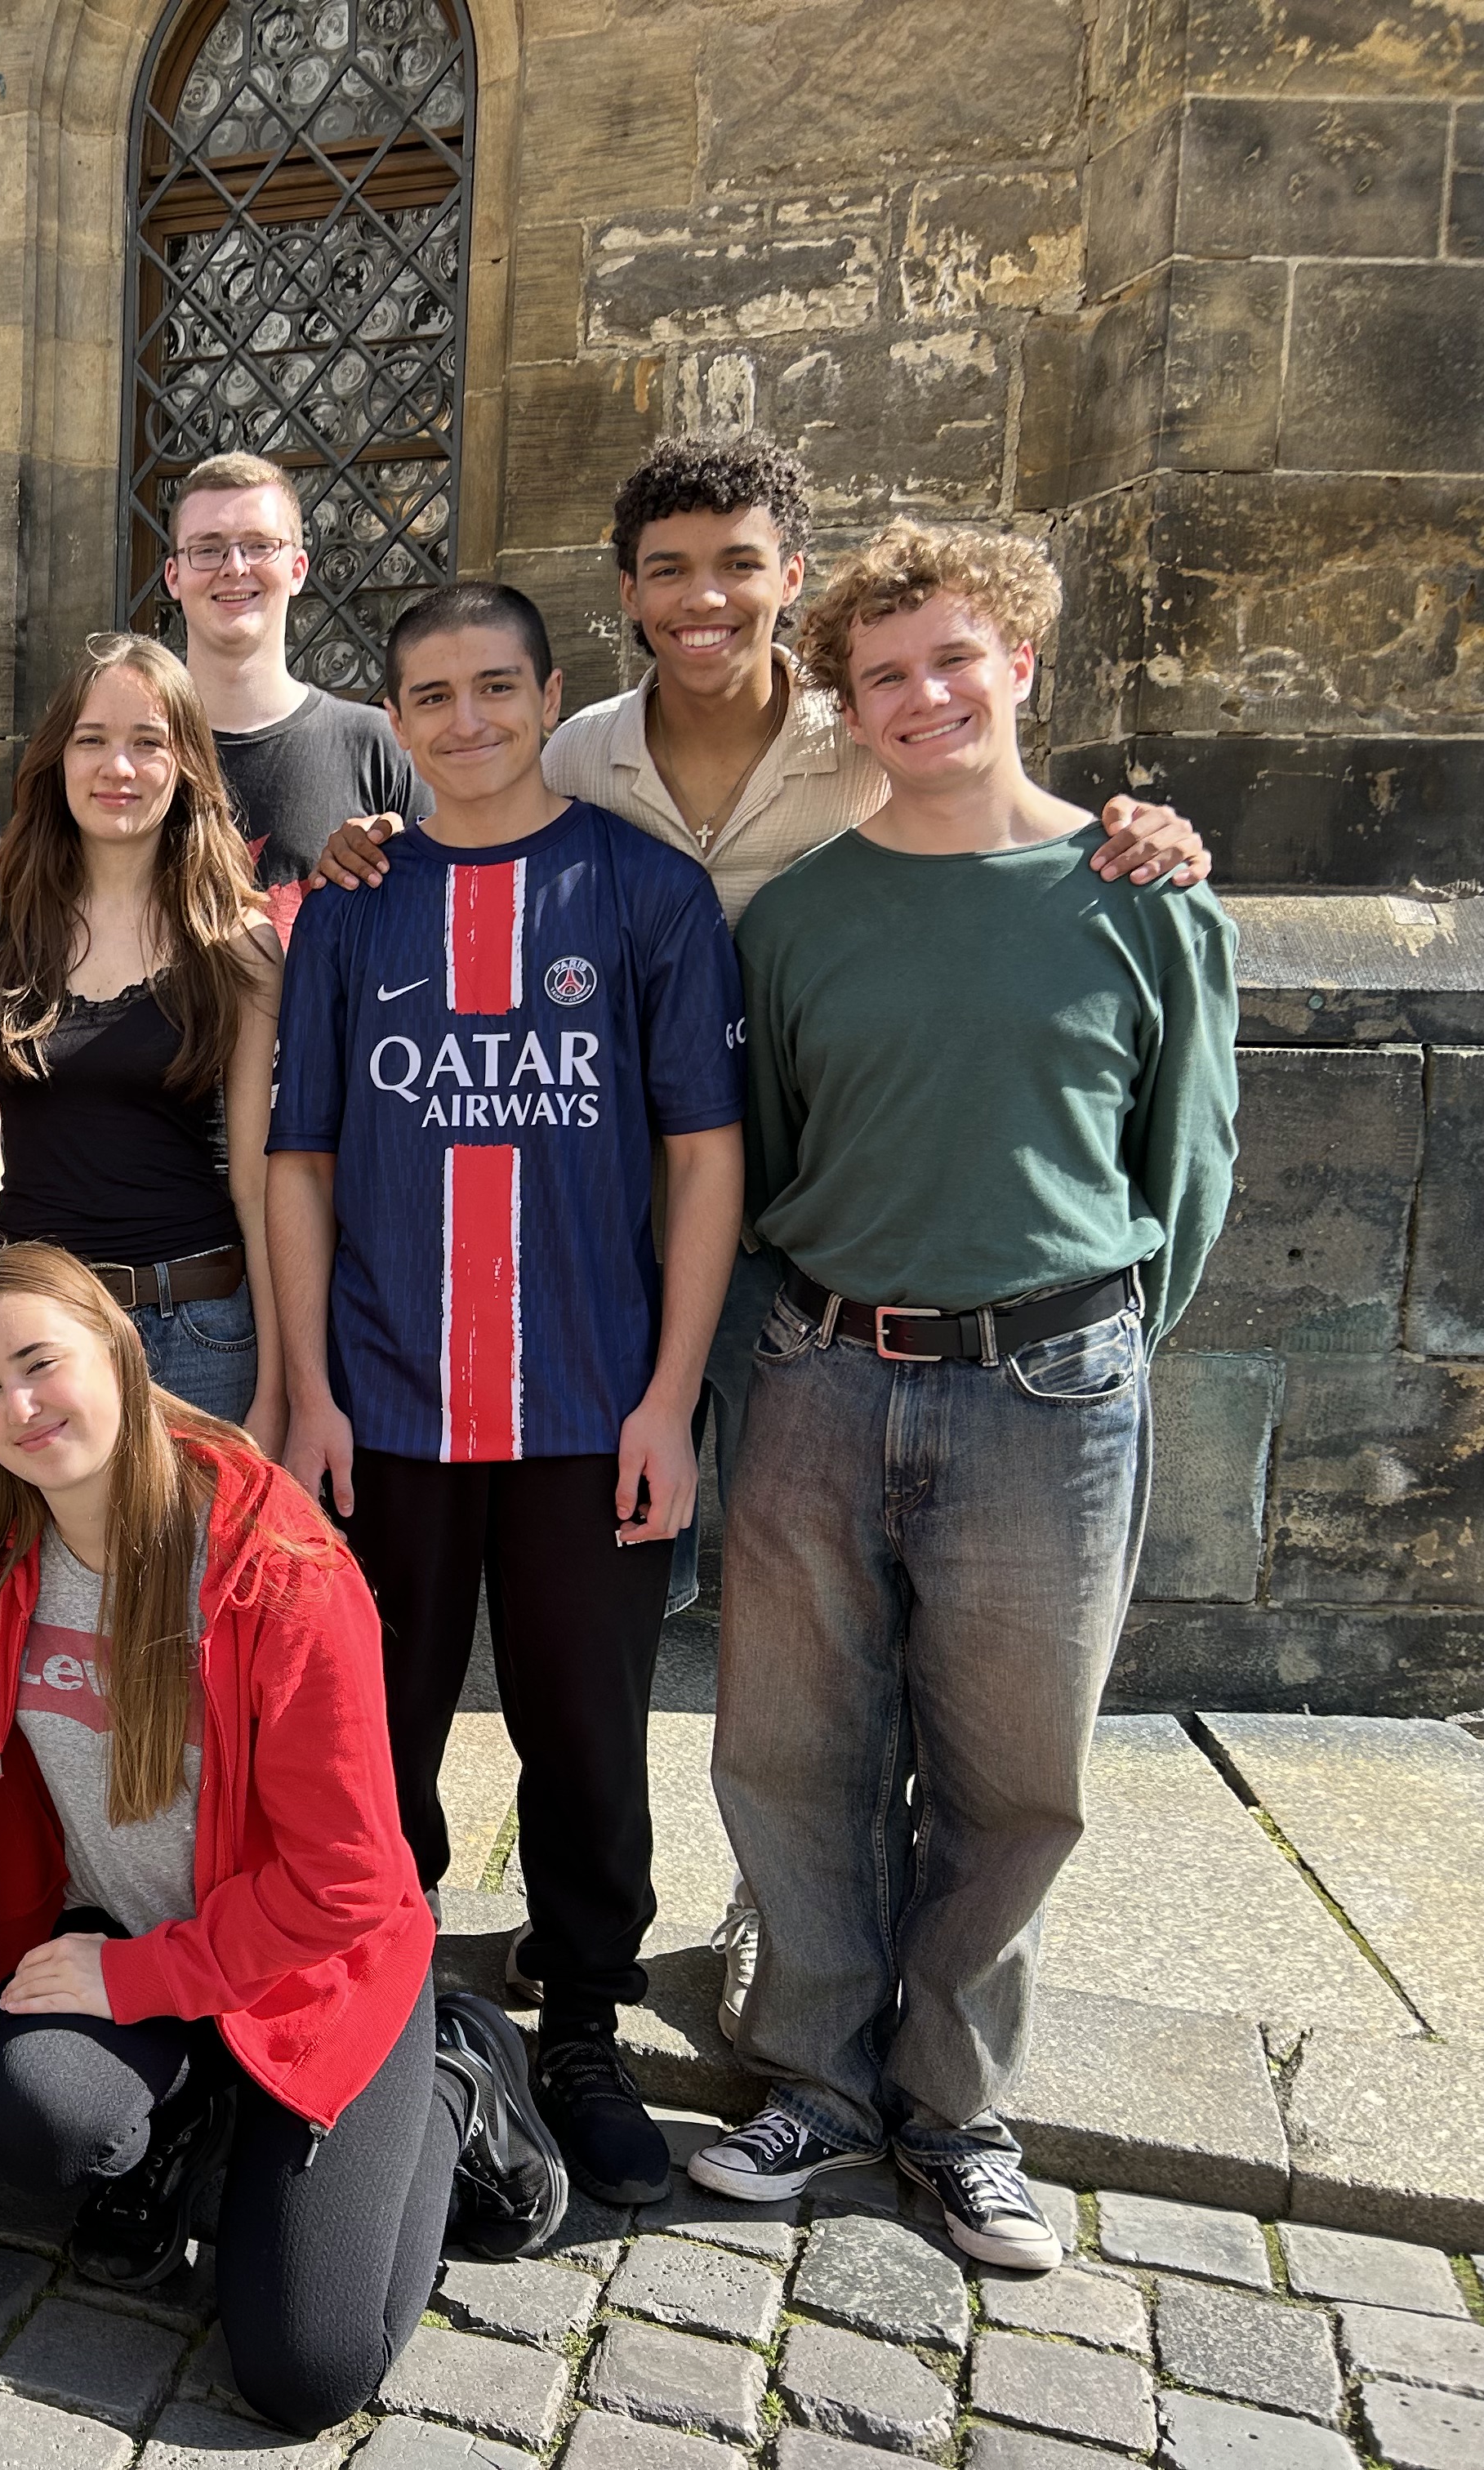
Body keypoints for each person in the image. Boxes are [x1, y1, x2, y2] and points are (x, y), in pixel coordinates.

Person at [307, 433, 1214, 2031]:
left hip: (821, 1255)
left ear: (790, 578)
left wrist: (1138, 838)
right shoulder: (573, 750)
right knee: (713, 1654)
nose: (703, 597)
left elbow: (1152, 1099)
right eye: (668, 569)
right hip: (602, 1256)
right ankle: (647, 1957)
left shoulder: (867, 733)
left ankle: (788, 1972)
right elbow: (461, 817)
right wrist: (361, 842)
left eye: (737, 563)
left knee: (840, 1662)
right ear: (626, 593)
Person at [688, 522, 1237, 2272]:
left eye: (952, 659)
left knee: (1014, 1772)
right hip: (822, 1372)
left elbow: (1188, 1167)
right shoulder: (801, 919)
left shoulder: (1144, 898)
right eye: (883, 676)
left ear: (1020, 665)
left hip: (1049, 1390)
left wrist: (1083, 1345)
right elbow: (773, 1159)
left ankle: (953, 2107)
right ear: (848, 710)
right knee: (795, 1747)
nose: (922, 695)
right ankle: (813, 2076)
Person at [0, 1245, 568, 2437]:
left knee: (306, 2371)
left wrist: (137, 1979)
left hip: (310, 1969)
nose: (19, 1407)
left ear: (120, 1349)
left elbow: (349, 1882)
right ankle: (194, 2118)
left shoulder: (279, 1569)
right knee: (36, 2117)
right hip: (137, 1940)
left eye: (39, 1363)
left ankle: (454, 2080)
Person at [268, 581, 746, 2211]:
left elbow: (704, 1156)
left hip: (588, 1408)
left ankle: (587, 2027)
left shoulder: (645, 891)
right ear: (393, 721)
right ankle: (387, 1998)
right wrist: (310, 1392)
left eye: (493, 687)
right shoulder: (351, 905)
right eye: (429, 695)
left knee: (589, 1734)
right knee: (372, 1731)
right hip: (386, 1410)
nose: (464, 720)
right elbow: (301, 1161)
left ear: (551, 698)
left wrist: (671, 1397)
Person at [0, 635, 283, 1456]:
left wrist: (279, 1386)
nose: (117, 767)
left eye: (148, 742)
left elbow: (259, 1184)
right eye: (92, 740)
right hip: (31, 1337)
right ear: (57, 758)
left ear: (184, 764)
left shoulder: (239, 945)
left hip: (200, 1337)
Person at [161, 451, 425, 902]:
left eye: (259, 545)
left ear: (298, 569)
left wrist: (403, 859)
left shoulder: (382, 751)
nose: (235, 566)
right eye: (206, 549)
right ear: (174, 577)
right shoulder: (125, 757)